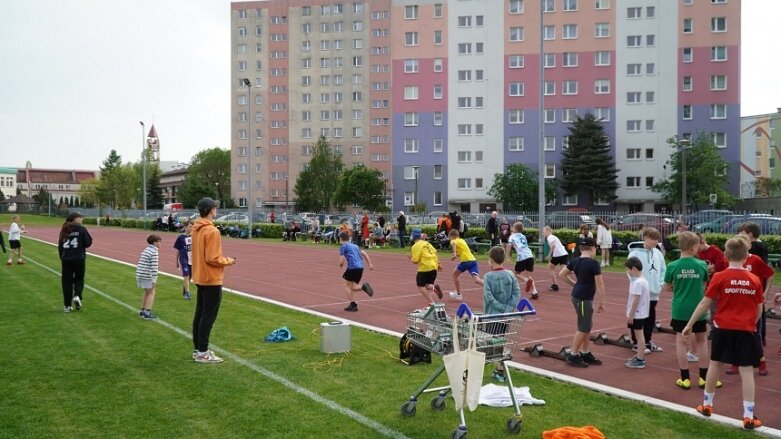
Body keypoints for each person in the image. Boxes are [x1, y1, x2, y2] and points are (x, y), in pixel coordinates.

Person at [683, 236, 764, 430]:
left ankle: (707, 405)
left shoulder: (719, 277)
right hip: (746, 330)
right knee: (746, 371)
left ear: (726, 255)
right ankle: (748, 416)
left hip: (723, 328)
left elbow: (705, 302)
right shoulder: (754, 279)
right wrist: (750, 323)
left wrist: (690, 324)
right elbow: (759, 308)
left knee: (715, 365)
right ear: (746, 257)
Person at [663, 232, 714, 389]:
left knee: (680, 341)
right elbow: (705, 284)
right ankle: (703, 378)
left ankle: (685, 378)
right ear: (694, 247)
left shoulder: (672, 266)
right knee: (701, 341)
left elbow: (667, 287)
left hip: (680, 308)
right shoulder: (701, 265)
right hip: (697, 308)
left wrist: (680, 288)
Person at [723, 227, 774, 377]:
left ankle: (761, 362)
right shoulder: (729, 261)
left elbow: (770, 274)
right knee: (734, 334)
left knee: (755, 334)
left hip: (752, 304)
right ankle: (735, 362)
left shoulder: (755, 260)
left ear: (749, 245)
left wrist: (765, 292)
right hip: (735, 303)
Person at [191, 197, 236, 364]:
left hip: (200, 276)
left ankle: (198, 349)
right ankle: (202, 352)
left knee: (200, 314)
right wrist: (228, 261)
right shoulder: (211, 231)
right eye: (215, 208)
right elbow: (212, 258)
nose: (216, 210)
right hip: (211, 278)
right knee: (207, 317)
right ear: (211, 210)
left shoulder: (196, 229)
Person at [558, 237, 606, 368]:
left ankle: (585, 352)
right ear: (592, 249)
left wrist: (574, 284)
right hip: (584, 298)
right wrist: (602, 302)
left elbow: (561, 274)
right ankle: (573, 355)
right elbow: (600, 284)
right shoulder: (593, 263)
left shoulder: (575, 261)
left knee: (587, 325)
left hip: (578, 296)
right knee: (583, 327)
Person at [483, 246, 521, 382]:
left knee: (494, 343)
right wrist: (508, 309)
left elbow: (489, 297)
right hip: (506, 316)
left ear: (491, 260)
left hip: (492, 315)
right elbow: (516, 292)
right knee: (499, 339)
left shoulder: (488, 277)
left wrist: (500, 308)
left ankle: (500, 369)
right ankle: (498, 368)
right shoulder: (510, 274)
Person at [627, 227, 666, 354]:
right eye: (652, 239)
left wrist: (660, 284)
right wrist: (636, 285)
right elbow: (629, 271)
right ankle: (636, 343)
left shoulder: (658, 253)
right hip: (640, 292)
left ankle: (648, 341)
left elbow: (663, 270)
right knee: (638, 317)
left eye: (657, 239)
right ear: (645, 238)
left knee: (650, 317)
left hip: (654, 292)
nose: (655, 242)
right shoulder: (635, 253)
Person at [58, 212, 93, 313]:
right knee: (79, 279)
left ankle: (67, 306)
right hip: (79, 259)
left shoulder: (64, 229)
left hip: (66, 260)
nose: (81, 219)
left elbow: (60, 246)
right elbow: (88, 243)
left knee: (67, 282)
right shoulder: (81, 229)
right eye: (80, 217)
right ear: (75, 219)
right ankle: (77, 295)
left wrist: (62, 257)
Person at [338, 231, 375, 311]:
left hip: (352, 267)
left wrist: (340, 265)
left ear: (341, 239)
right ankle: (363, 287)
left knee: (346, 285)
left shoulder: (343, 246)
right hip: (360, 267)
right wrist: (370, 264)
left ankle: (353, 304)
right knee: (354, 287)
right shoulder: (355, 246)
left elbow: (341, 261)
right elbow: (364, 254)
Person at [624, 256, 650, 369]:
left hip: (637, 313)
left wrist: (631, 314)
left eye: (629, 270)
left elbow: (636, 299)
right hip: (641, 312)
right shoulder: (642, 280)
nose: (628, 272)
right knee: (639, 335)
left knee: (639, 336)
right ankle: (639, 356)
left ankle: (640, 359)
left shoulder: (638, 283)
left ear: (634, 269)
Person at [409, 228, 443, 306]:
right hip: (434, 267)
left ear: (413, 236)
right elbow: (435, 253)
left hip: (425, 268)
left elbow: (415, 261)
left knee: (420, 286)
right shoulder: (427, 243)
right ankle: (434, 288)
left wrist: (410, 258)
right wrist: (438, 264)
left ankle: (431, 302)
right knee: (427, 285)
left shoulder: (415, 246)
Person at [447, 228, 483, 300]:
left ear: (452, 236)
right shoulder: (462, 240)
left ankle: (458, 294)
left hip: (466, 261)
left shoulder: (454, 240)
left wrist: (454, 254)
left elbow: (453, 243)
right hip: (473, 260)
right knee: (477, 280)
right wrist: (457, 254)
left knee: (454, 275)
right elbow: (463, 251)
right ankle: (489, 285)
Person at [508, 222, 539, 299]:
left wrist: (507, 256)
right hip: (530, 256)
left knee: (516, 273)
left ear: (515, 229)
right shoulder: (523, 236)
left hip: (521, 257)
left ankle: (525, 280)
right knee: (529, 276)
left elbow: (509, 245)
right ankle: (535, 292)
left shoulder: (512, 236)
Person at [136, 234, 162, 320]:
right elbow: (154, 267)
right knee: (152, 292)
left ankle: (142, 311)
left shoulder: (146, 249)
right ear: (154, 242)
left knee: (146, 292)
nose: (160, 243)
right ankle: (148, 312)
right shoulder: (154, 252)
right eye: (159, 242)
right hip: (146, 274)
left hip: (140, 273)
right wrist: (154, 279)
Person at [543, 226, 568, 292]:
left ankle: (555, 285)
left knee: (550, 268)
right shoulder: (553, 237)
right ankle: (578, 271)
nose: (543, 233)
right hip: (563, 254)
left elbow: (553, 246)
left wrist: (549, 255)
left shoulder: (550, 237)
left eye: (544, 232)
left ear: (548, 231)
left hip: (558, 255)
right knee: (565, 270)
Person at [173, 220, 193, 300]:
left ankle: (185, 291)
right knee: (186, 274)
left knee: (190, 276)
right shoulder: (180, 237)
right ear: (185, 227)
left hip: (192, 259)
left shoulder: (194, 237)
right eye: (190, 226)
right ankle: (188, 293)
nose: (191, 228)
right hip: (183, 258)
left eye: (192, 227)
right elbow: (178, 250)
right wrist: (176, 261)